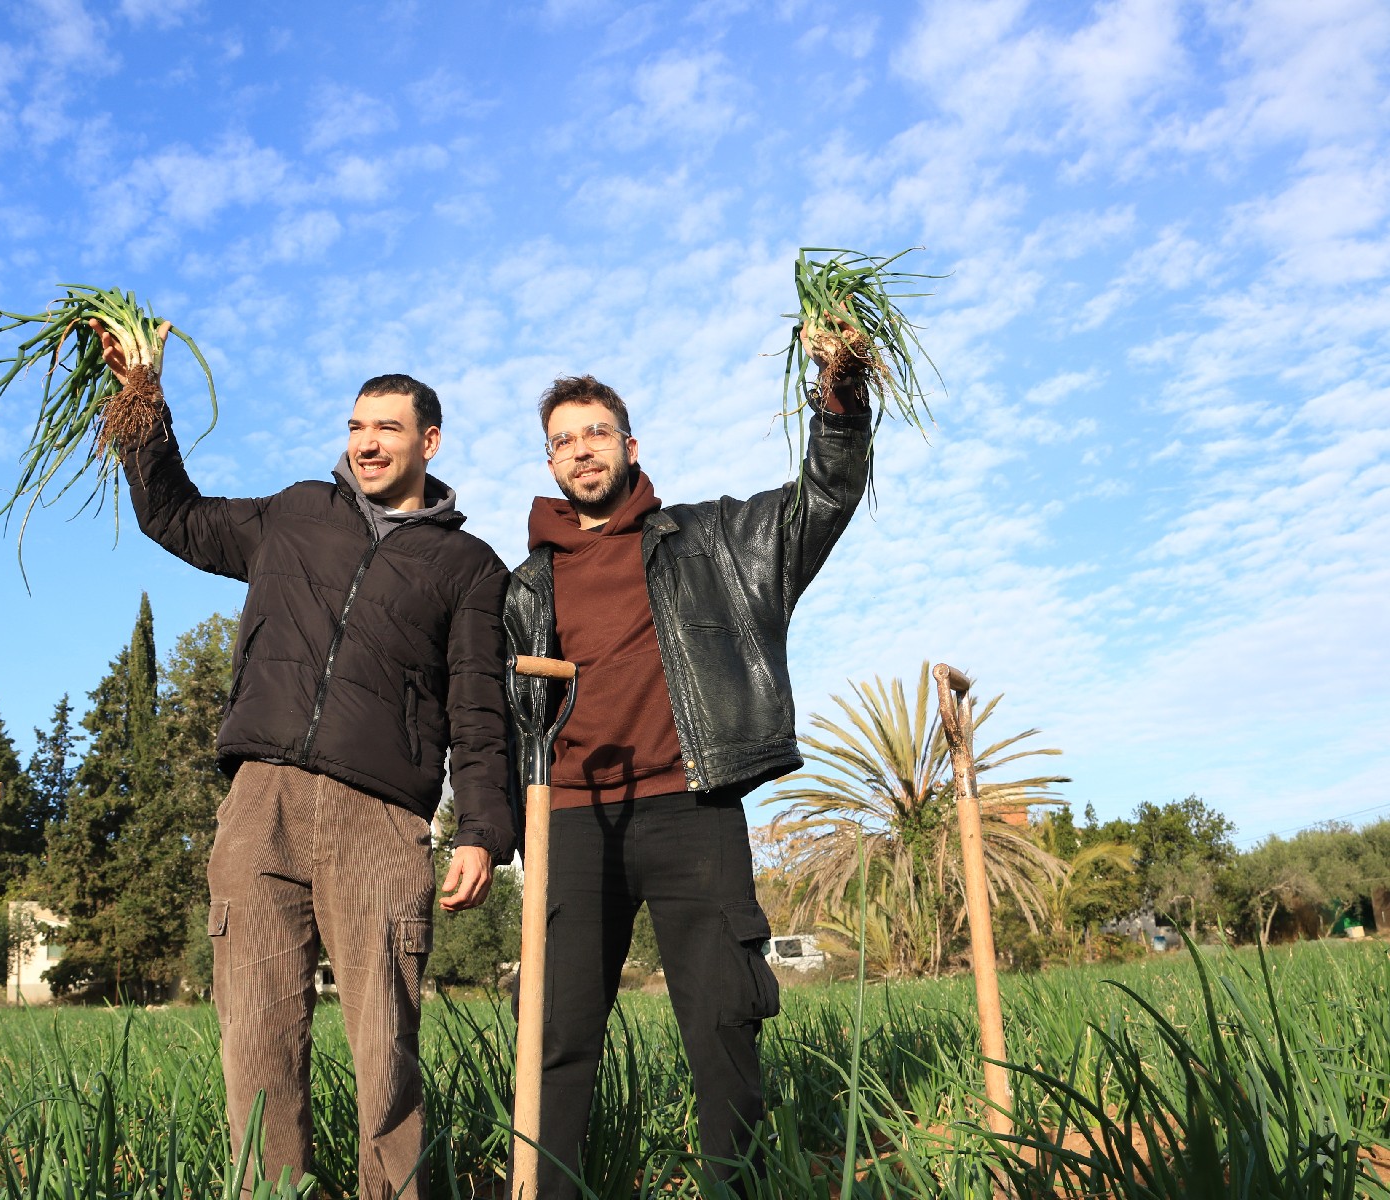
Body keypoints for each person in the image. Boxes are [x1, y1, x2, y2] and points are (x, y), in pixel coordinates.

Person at [115, 348, 514, 1200]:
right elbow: (175, 516)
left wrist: (482, 830)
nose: (366, 443)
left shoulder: (469, 567)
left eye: (388, 429)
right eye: (357, 426)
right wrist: (143, 405)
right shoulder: (295, 513)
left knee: (385, 1044)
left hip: (381, 815)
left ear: (430, 442)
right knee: (255, 1038)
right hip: (261, 800)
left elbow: (480, 707)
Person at [503, 365, 871, 1195]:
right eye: (562, 441)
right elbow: (497, 716)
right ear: (550, 464)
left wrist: (841, 403)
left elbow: (821, 501)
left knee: (723, 1025)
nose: (580, 450)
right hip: (571, 823)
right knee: (555, 1035)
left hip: (691, 806)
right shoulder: (525, 587)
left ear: (630, 446)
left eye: (596, 433)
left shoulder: (714, 541)